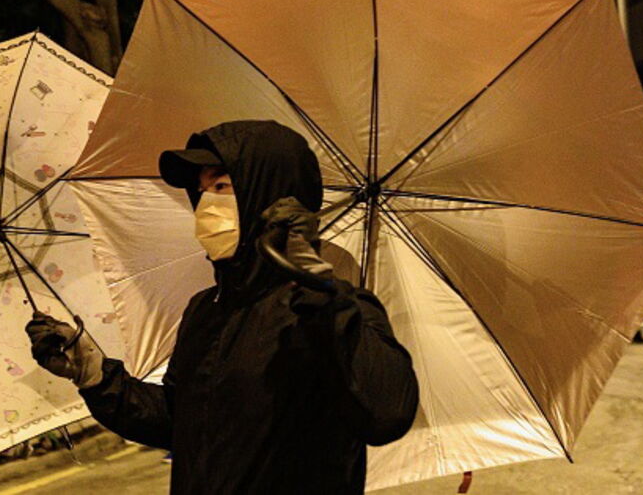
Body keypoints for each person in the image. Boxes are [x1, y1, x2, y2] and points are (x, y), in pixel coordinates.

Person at [27, 120, 419, 494]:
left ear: (270, 196)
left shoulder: (328, 305)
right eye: (201, 190)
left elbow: (386, 414)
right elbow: (180, 422)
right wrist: (95, 374)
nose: (205, 205)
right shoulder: (206, 309)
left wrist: (326, 298)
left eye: (222, 185)